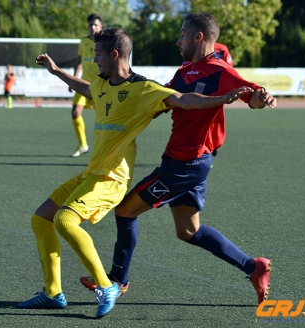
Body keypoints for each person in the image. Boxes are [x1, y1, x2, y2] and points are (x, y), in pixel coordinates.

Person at [18, 27, 252, 319]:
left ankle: (108, 286)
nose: (94, 59)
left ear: (114, 54)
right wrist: (56, 72)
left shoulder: (144, 89)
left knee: (66, 221)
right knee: (41, 218)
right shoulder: (102, 84)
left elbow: (183, 100)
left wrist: (221, 99)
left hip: (111, 179)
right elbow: (86, 89)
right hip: (92, 173)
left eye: (98, 54)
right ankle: (53, 293)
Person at [80, 13, 277, 306]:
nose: (177, 40)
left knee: (125, 211)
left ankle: (117, 280)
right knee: (188, 231)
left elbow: (252, 96)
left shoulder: (219, 71)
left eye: (182, 35)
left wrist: (263, 97)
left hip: (186, 164)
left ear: (199, 37)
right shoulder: (184, 71)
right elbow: (162, 100)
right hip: (186, 161)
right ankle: (254, 266)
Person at [69, 13, 103, 157]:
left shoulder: (105, 42)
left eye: (96, 24)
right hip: (83, 85)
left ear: (101, 27)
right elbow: (79, 62)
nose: (93, 27)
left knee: (102, 119)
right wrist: (74, 79)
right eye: (90, 25)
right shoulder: (83, 42)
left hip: (100, 86)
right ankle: (83, 145)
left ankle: (102, 149)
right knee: (75, 112)